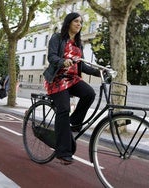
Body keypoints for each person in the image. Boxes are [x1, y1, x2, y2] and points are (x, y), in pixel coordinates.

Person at [43, 12, 101, 165]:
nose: (79, 24)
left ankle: (73, 123)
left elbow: (81, 65)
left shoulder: (78, 43)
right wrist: (63, 61)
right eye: (76, 21)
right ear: (69, 22)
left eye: (81, 22)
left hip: (72, 79)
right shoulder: (57, 38)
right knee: (63, 108)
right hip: (57, 79)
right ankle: (63, 152)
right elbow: (51, 57)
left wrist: (99, 71)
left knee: (89, 93)